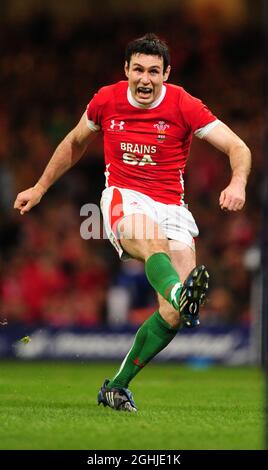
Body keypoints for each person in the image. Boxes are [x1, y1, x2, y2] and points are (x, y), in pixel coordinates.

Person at [14, 33, 251, 412]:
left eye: (154, 72)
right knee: (156, 250)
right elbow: (75, 142)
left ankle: (116, 387)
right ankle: (180, 292)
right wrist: (41, 187)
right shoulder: (106, 99)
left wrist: (237, 181)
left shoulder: (183, 104)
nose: (145, 79)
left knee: (172, 315)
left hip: (173, 206)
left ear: (166, 74)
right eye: (138, 69)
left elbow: (238, 146)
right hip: (126, 196)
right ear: (126, 70)